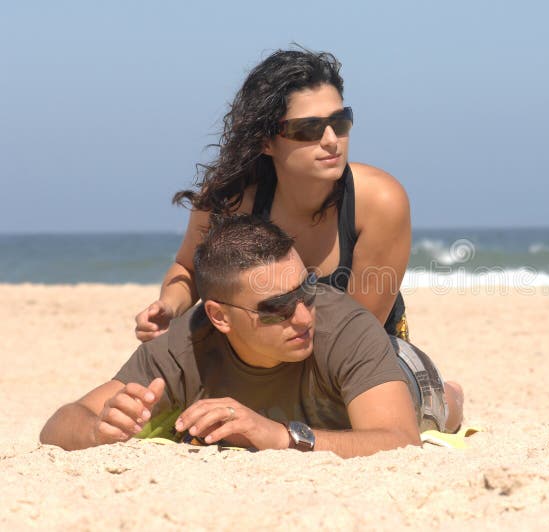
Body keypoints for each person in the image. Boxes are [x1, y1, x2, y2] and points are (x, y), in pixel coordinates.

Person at [41, 216, 463, 457]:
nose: (302, 316)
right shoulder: (184, 344)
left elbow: (398, 440)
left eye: (306, 289)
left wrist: (279, 435)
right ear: (219, 317)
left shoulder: (341, 324)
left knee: (436, 409)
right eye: (276, 306)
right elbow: (62, 422)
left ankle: (452, 395)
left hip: (407, 376)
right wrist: (99, 430)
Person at [135, 48, 412, 342]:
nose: (332, 140)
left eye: (340, 122)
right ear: (266, 142)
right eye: (309, 129)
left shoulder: (378, 202)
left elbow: (360, 335)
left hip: (361, 361)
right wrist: (169, 306)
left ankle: (446, 391)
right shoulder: (232, 200)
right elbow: (190, 269)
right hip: (263, 357)